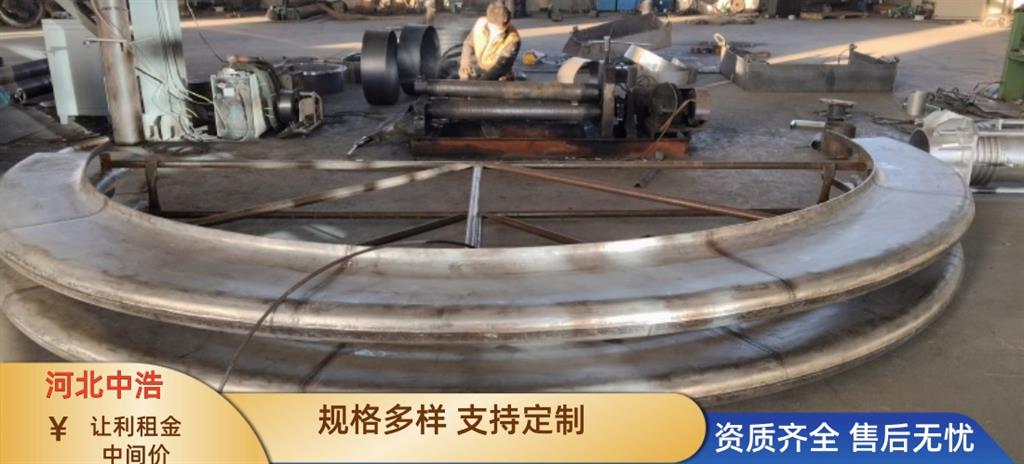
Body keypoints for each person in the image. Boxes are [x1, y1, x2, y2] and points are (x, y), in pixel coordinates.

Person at [458, 2, 521, 81]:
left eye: (500, 29)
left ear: (507, 24)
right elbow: (468, 44)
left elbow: (501, 66)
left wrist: (482, 82)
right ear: (488, 21)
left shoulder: (513, 39)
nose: (496, 32)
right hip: (477, 68)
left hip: (497, 75)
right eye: (494, 29)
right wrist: (465, 65)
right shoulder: (480, 24)